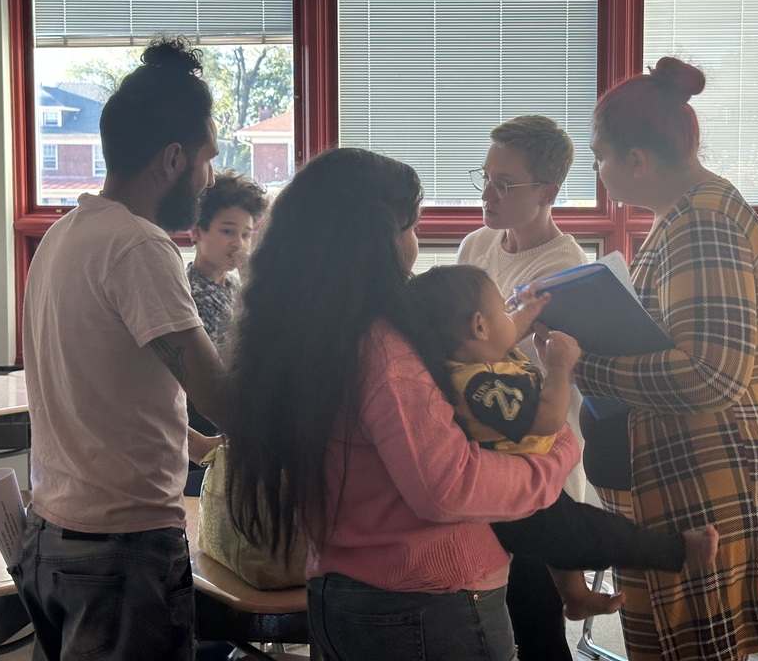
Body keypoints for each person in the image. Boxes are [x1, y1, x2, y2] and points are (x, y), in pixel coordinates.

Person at [224, 147, 580, 661]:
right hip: (423, 604)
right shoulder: (382, 347)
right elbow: (449, 488)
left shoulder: (305, 333)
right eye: (411, 228)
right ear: (375, 242)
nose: (416, 244)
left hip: (344, 588)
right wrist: (557, 451)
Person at [575, 55, 758, 661]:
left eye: (599, 156)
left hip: (715, 479)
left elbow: (711, 376)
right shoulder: (686, 216)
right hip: (694, 475)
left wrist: (583, 365)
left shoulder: (702, 224)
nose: (597, 171)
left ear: (636, 160)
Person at [14, 35, 226, 661]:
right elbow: (218, 395)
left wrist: (200, 445)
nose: (210, 177)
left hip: (54, 538)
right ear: (172, 159)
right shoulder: (139, 245)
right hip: (120, 554)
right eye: (207, 159)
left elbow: (108, 396)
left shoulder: (64, 235)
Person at [407, 264, 719, 619]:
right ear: (480, 326)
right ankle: (676, 551)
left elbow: (506, 332)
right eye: (503, 313)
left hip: (524, 485)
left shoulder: (477, 353)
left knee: (561, 542)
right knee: (593, 534)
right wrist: (560, 369)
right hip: (513, 506)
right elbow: (548, 421)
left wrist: (528, 310)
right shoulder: (480, 386)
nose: (512, 320)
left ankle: (576, 597)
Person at [456, 114, 592, 660]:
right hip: (484, 454)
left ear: (548, 192)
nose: (487, 195)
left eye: (504, 184)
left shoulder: (564, 269)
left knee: (534, 621)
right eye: (485, 178)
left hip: (535, 455)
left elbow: (527, 371)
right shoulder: (476, 245)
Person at [186, 170, 268, 438]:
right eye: (227, 231)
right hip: (206, 422)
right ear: (196, 232)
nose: (238, 244)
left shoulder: (235, 286)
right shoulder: (189, 292)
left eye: (246, 235)